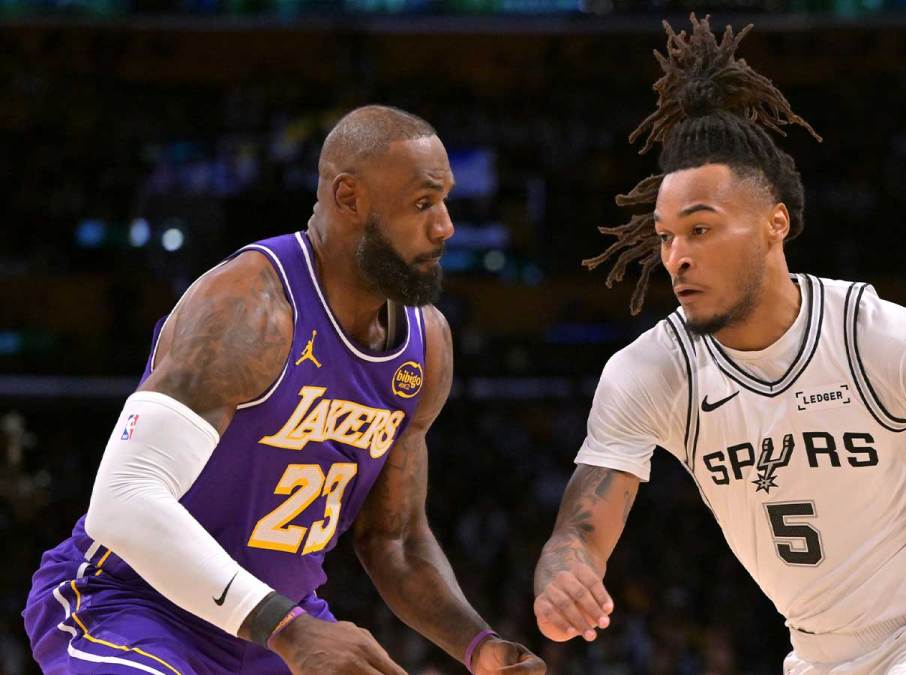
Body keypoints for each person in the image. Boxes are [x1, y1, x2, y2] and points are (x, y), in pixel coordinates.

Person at [532, 16, 906, 675]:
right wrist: (563, 570)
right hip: (814, 659)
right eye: (667, 236)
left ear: (775, 225)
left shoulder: (875, 337)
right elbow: (582, 528)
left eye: (701, 229)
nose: (676, 256)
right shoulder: (651, 371)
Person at [24, 105, 545, 675]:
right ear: (349, 199)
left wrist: (479, 647)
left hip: (272, 631)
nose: (445, 226)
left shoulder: (427, 345)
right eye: (424, 203)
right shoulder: (250, 307)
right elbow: (121, 501)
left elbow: (392, 541)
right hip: (134, 606)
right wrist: (290, 629)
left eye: (446, 202)